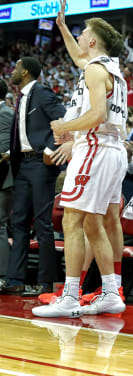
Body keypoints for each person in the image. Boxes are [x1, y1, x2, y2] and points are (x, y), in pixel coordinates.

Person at [32, 15, 128, 318]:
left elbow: (98, 114)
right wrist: (61, 27)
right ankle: (112, 292)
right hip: (112, 150)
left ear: (93, 41)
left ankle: (71, 295)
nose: (81, 35)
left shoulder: (95, 72)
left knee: (72, 220)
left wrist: (65, 125)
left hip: (95, 148)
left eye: (83, 32)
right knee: (92, 222)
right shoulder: (108, 69)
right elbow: (78, 57)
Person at [0, 57, 65, 297]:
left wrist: (50, 148)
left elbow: (63, 120)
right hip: (22, 165)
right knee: (18, 222)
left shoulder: (42, 93)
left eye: (16, 67)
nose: (13, 70)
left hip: (40, 164)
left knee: (42, 224)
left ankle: (45, 282)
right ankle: (15, 279)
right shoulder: (21, 97)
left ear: (25, 71)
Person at [0, 79, 13, 288]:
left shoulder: (5, 114)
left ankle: (3, 276)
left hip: (3, 179)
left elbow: (3, 152)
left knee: (0, 226)